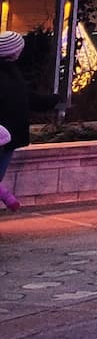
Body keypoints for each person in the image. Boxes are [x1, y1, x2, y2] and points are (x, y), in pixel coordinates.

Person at [0, 30, 30, 211]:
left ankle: (6, 196)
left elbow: (25, 98)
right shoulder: (7, 75)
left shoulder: (12, 73)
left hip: (7, 135)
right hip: (6, 134)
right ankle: (6, 196)